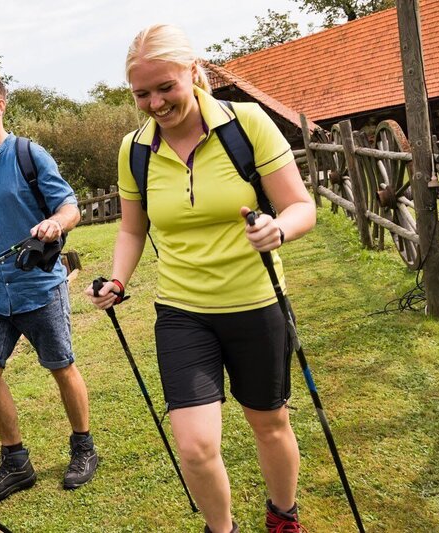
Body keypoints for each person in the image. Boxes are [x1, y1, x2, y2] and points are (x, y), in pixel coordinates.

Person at [85, 25, 315, 533]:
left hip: (256, 302)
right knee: (193, 444)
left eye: (165, 87)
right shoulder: (135, 149)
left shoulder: (246, 123)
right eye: (141, 93)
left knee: (270, 423)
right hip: (183, 312)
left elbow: (302, 206)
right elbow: (130, 228)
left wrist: (278, 229)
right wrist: (118, 282)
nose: (155, 103)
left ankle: (283, 515)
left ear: (194, 72)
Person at [0, 73, 98, 503]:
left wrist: (55, 223)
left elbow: (70, 207)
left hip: (40, 286)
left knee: (61, 367)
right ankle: (16, 462)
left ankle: (83, 447)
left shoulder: (30, 154)